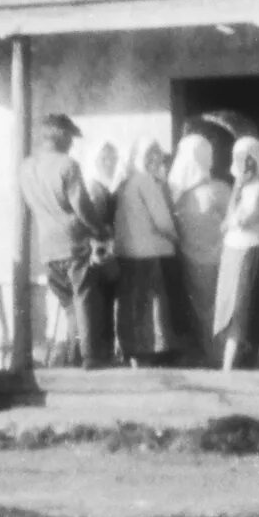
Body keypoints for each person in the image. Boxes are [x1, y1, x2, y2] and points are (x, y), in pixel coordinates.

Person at [16, 115, 112, 366]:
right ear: (60, 136)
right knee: (85, 300)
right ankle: (90, 357)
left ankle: (73, 355)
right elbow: (80, 204)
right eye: (69, 137)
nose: (71, 143)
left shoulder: (25, 167)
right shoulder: (67, 165)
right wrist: (100, 230)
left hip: (46, 247)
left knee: (70, 305)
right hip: (73, 242)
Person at [111, 138, 185, 365]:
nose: (155, 158)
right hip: (149, 252)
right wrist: (176, 237)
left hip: (126, 252)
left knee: (132, 304)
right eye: (149, 154)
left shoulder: (123, 183)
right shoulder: (145, 182)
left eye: (157, 153)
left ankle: (132, 351)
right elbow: (162, 220)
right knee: (153, 305)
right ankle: (154, 352)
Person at [215, 137, 259, 371]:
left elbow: (240, 220)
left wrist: (229, 221)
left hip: (254, 256)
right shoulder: (245, 187)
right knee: (236, 316)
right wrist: (237, 186)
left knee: (248, 316)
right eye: (240, 160)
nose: (245, 166)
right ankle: (229, 369)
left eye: (250, 160)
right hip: (237, 255)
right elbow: (229, 219)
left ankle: (237, 369)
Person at [169, 132, 230, 362]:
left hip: (194, 258)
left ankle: (215, 355)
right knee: (217, 307)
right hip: (216, 257)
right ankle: (220, 355)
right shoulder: (219, 189)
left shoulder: (174, 191)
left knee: (203, 309)